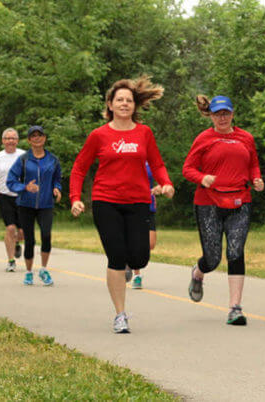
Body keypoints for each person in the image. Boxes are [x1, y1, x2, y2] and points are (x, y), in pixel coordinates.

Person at [70, 76, 174, 334]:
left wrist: (166, 183)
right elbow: (80, 167)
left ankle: (128, 265)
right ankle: (120, 314)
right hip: (106, 202)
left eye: (129, 100)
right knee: (116, 257)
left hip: (139, 201)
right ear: (110, 104)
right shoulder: (99, 135)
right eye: (120, 100)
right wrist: (75, 198)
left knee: (140, 257)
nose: (125, 104)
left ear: (134, 105)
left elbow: (157, 163)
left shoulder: (144, 133)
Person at [182, 95, 264, 326]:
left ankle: (234, 308)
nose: (223, 118)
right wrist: (202, 177)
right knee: (213, 258)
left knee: (236, 251)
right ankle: (198, 272)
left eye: (226, 113)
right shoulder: (204, 138)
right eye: (218, 114)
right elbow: (187, 168)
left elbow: (253, 164)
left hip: (240, 201)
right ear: (211, 115)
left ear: (233, 113)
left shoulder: (245, 138)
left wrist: (256, 179)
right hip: (209, 203)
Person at [6, 126, 61, 286]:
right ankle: (29, 272)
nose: (37, 138)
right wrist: (24, 187)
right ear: (29, 140)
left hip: (46, 204)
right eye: (33, 136)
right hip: (26, 205)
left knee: (46, 235)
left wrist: (57, 188)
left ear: (44, 138)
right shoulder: (23, 160)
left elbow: (57, 178)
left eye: (40, 135)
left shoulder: (53, 159)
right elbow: (11, 181)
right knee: (29, 240)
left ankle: (43, 269)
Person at [0, 128, 25, 271]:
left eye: (13, 138)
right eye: (7, 138)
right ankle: (11, 261)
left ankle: (16, 244)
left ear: (17, 140)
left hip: (22, 197)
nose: (10, 141)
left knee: (22, 232)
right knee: (10, 228)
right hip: (4, 196)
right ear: (3, 141)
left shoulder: (24, 156)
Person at [129, 162, 162, 290]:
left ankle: (129, 259)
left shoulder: (151, 162)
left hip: (148, 205)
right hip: (132, 203)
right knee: (135, 241)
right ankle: (137, 276)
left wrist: (159, 188)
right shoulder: (128, 159)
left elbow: (161, 180)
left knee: (150, 244)